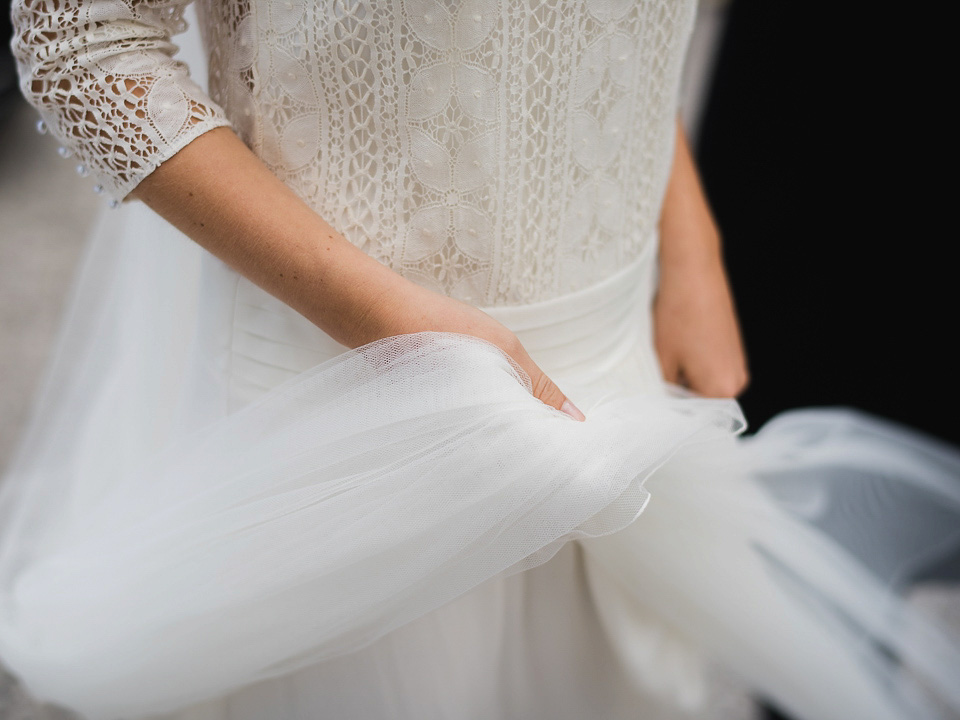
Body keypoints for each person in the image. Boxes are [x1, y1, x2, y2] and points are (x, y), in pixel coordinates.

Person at [2, 1, 958, 719]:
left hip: (616, 367)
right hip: (359, 401)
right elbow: (81, 43)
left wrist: (691, 243)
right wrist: (394, 322)